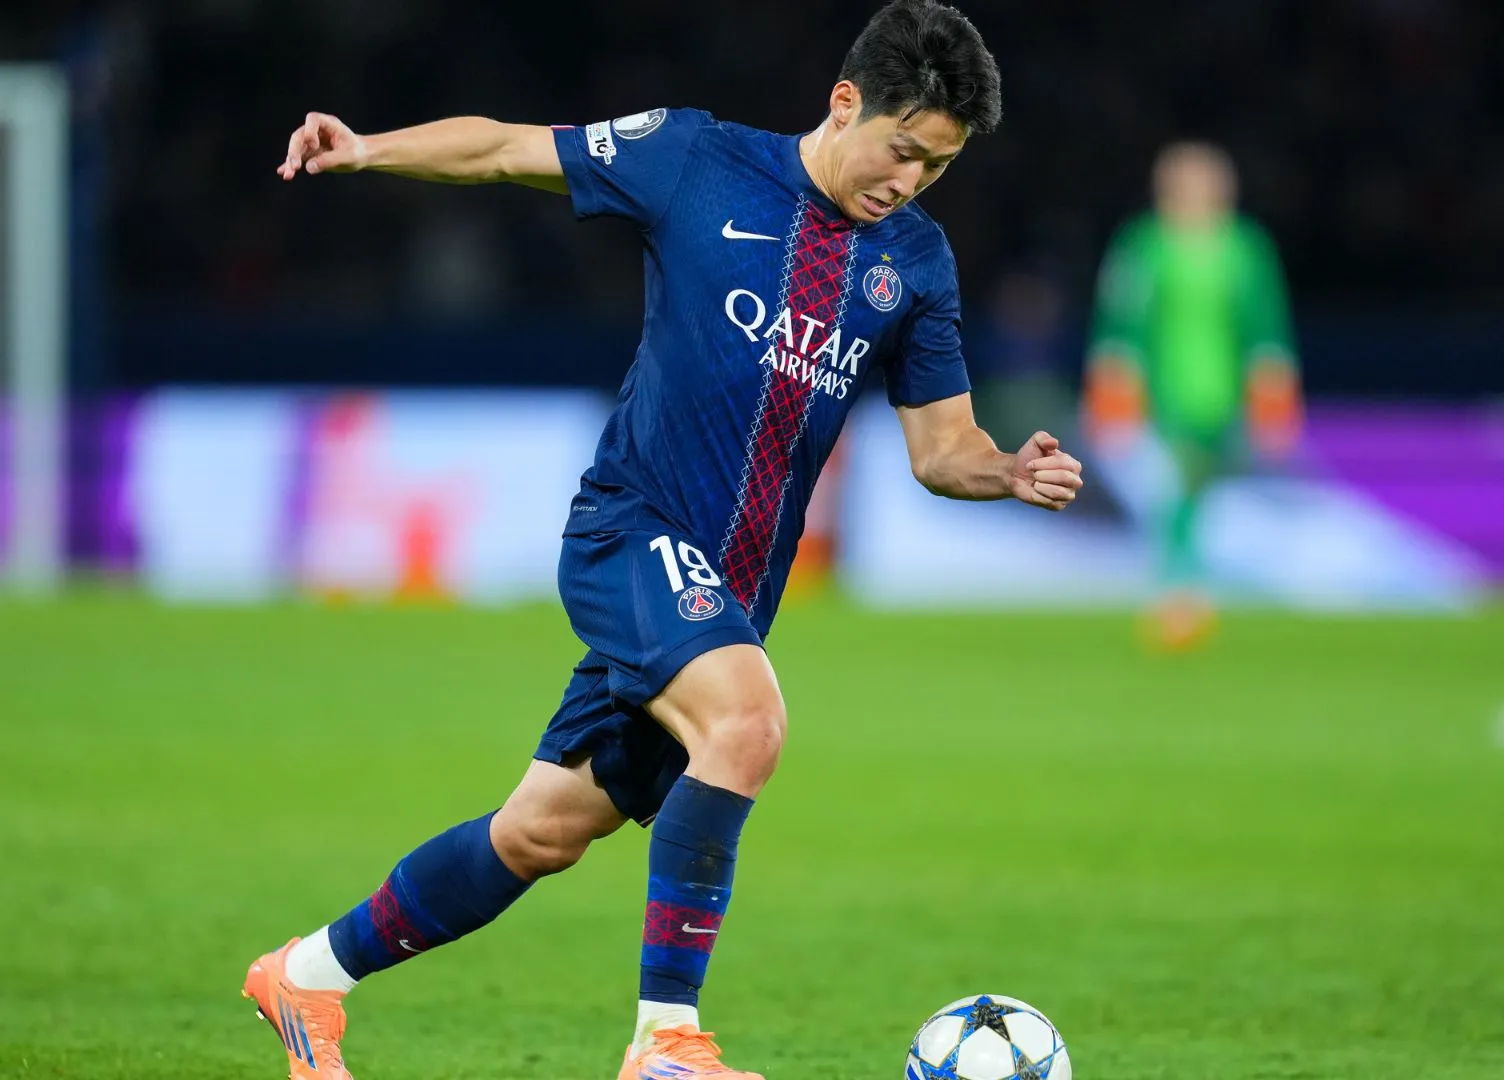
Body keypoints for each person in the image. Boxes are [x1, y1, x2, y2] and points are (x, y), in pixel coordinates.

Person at [245, 3, 1084, 1078]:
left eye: (938, 166)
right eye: (903, 149)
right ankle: (667, 1043)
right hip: (625, 534)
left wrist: (1007, 471)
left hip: (723, 598)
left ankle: (306, 976)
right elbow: (507, 151)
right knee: (748, 722)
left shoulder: (913, 263)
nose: (910, 181)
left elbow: (941, 448)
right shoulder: (694, 159)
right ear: (846, 103)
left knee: (540, 832)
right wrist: (367, 149)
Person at [1082, 141, 1299, 650]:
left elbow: (1267, 327)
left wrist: (1274, 397)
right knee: (1174, 492)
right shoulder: (1145, 244)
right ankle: (1179, 595)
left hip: (1224, 398)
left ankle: (1187, 589)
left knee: (1197, 498)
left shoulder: (1246, 247)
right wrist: (1112, 390)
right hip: (1164, 397)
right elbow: (1119, 323)